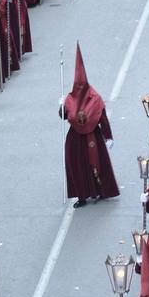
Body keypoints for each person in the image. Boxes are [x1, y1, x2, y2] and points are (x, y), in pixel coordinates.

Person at [60, 44, 119, 207]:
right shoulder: (70, 98)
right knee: (76, 167)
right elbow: (64, 116)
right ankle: (81, 196)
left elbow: (102, 117)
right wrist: (61, 107)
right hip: (75, 138)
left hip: (92, 137)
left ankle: (100, 190)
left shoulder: (95, 98)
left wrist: (108, 136)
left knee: (96, 165)